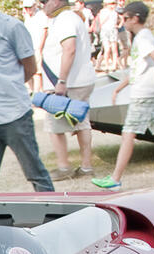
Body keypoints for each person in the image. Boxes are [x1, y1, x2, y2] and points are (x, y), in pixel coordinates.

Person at [0, 0, 54, 195]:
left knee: (35, 173)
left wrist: (10, 86)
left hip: (15, 115)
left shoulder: (12, 27)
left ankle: (56, 219)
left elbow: (30, 67)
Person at [93, 2, 154, 189]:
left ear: (135, 18)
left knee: (128, 133)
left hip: (144, 93)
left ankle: (115, 179)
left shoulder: (143, 37)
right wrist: (118, 88)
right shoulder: (141, 37)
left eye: (126, 18)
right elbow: (137, 69)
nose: (123, 21)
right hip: (148, 92)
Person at [42, 0, 97, 180]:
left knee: (54, 125)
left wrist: (62, 80)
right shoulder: (68, 17)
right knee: (81, 123)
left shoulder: (65, 19)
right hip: (76, 80)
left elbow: (69, 49)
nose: (43, 5)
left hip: (69, 82)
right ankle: (85, 166)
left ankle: (64, 166)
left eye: (45, 1)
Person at [23, 0, 49, 92]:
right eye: (26, 7)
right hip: (29, 47)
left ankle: (38, 92)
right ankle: (32, 91)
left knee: (37, 72)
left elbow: (45, 31)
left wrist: (40, 48)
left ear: (34, 6)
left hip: (37, 47)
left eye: (29, 7)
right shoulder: (27, 17)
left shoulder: (41, 15)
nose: (27, 9)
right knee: (28, 70)